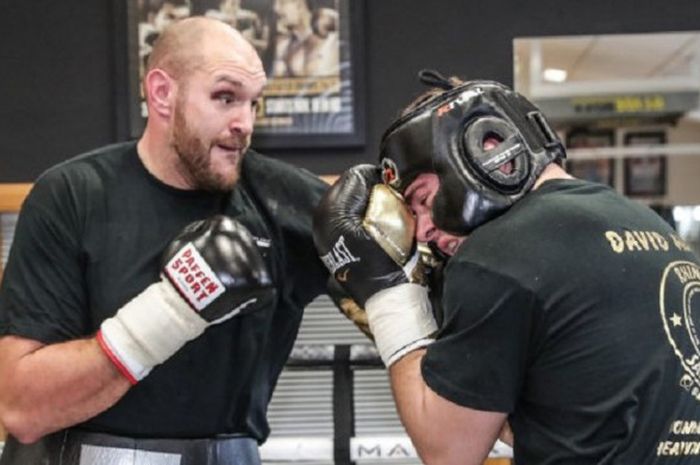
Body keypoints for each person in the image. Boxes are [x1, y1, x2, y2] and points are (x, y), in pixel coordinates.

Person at [313, 71, 700, 464]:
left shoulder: (497, 255)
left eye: (424, 199)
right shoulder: (650, 226)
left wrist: (390, 296)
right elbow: (577, 425)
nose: (424, 231)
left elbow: (449, 453)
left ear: (489, 150)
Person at [0, 16, 329, 465]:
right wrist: (170, 312)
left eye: (254, 103)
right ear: (162, 94)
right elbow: (21, 407)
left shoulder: (284, 202)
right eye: (225, 97)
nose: (245, 123)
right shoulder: (73, 196)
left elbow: (409, 291)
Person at [271, 0, 339, 77]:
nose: (276, 8)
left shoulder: (332, 39)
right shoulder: (282, 48)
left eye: (282, 3)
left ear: (299, 4)